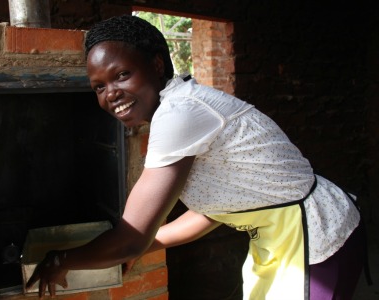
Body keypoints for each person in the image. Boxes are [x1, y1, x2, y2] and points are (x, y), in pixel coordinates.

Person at [26, 15, 366, 300]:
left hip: (317, 237)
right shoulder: (176, 108)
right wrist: (143, 245)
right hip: (281, 235)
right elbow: (211, 213)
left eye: (122, 75)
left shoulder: (180, 112)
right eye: (98, 86)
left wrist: (63, 260)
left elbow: (130, 237)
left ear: (157, 65)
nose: (111, 93)